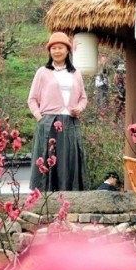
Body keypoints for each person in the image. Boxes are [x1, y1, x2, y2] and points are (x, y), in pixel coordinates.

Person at [27, 31, 88, 192]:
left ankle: (70, 196)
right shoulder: (43, 72)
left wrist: (79, 109)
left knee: (69, 160)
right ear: (49, 51)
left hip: (70, 122)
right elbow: (32, 99)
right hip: (48, 123)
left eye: (60, 47)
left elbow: (83, 98)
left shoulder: (75, 73)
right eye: (53, 48)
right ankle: (45, 198)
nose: (57, 51)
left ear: (68, 50)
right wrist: (40, 118)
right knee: (47, 160)